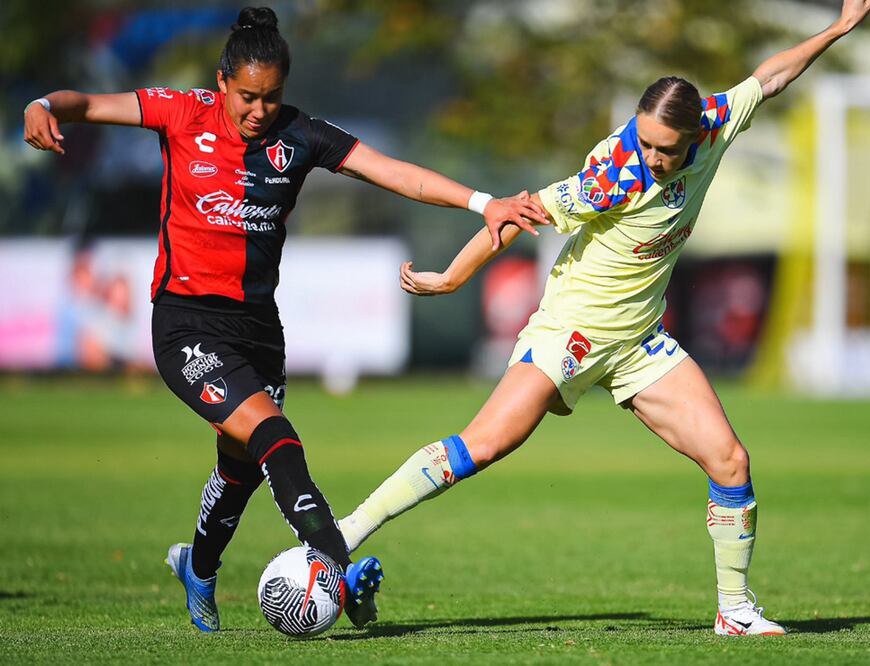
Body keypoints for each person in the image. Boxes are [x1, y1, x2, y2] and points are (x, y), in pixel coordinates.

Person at [337, 0, 870, 637]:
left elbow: (773, 74)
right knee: (484, 445)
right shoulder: (610, 175)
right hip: (569, 331)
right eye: (642, 138)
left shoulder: (716, 124)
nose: (649, 154)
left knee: (730, 462)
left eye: (663, 148)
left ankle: (734, 610)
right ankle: (340, 535)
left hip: (639, 342)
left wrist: (837, 29)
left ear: (694, 132)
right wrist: (453, 277)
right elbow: (516, 213)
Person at [23, 6, 546, 633]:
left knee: (239, 467)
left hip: (258, 330)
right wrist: (43, 104)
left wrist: (485, 202)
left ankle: (200, 566)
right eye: (246, 97)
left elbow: (395, 173)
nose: (258, 111)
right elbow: (85, 103)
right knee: (276, 438)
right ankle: (335, 565)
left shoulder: (301, 136)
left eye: (271, 99)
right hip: (186, 325)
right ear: (221, 83)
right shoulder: (180, 112)